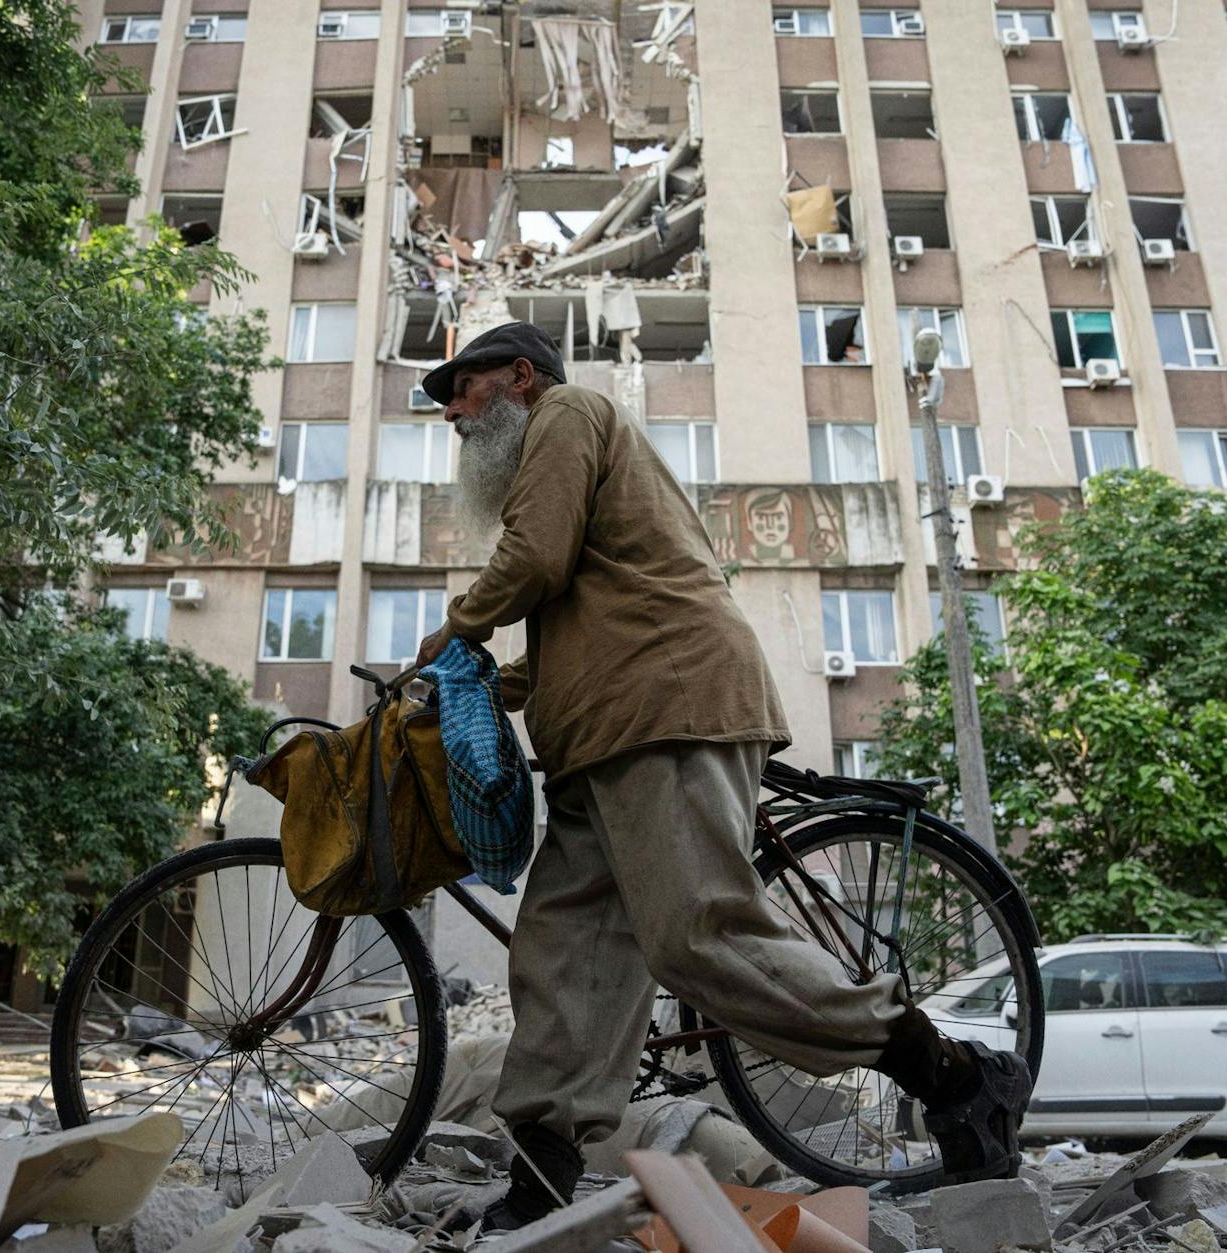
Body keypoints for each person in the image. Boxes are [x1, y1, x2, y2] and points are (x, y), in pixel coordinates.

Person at [412, 322, 1032, 1231]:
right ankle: (543, 1171)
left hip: (669, 703)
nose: (455, 414)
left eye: (462, 391)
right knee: (564, 950)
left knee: (696, 935)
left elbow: (538, 557)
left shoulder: (568, 413)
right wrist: (485, 687)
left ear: (518, 375)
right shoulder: (572, 457)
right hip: (603, 732)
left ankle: (954, 1072)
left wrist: (455, 629)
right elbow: (581, 611)